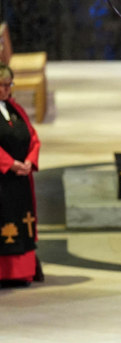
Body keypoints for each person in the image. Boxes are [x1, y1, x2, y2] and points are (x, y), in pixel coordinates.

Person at [0, 63, 42, 287]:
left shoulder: (14, 108)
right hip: (3, 179)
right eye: (3, 85)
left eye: (9, 84)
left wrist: (29, 161)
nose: (8, 89)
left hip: (21, 180)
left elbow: (33, 137)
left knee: (23, 221)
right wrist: (10, 164)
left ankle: (23, 271)